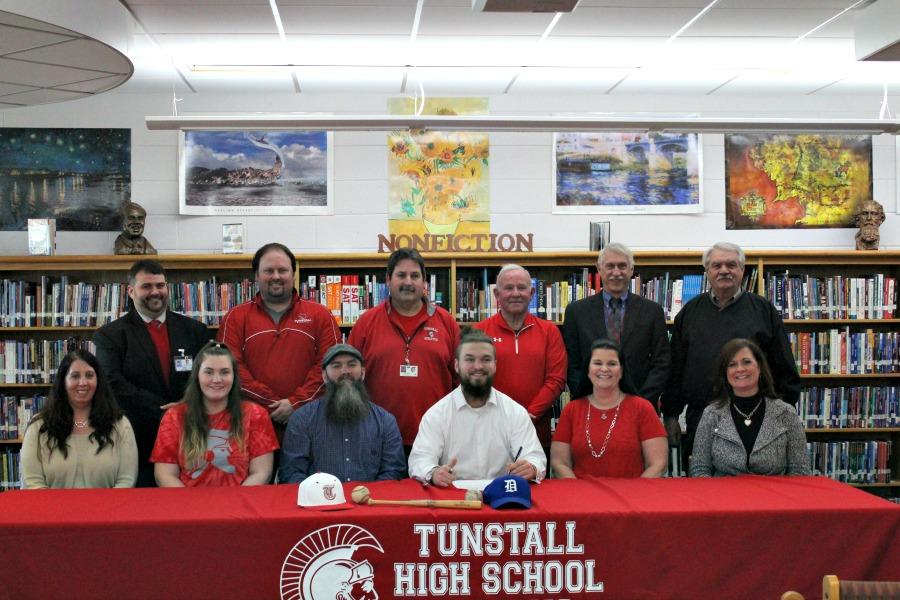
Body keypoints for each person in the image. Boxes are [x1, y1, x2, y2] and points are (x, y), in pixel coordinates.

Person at [661, 242, 800, 469]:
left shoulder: (763, 310)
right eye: (716, 265)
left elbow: (784, 366)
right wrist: (670, 415)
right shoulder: (690, 312)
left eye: (731, 265)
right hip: (701, 417)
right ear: (707, 271)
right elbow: (675, 368)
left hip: (757, 417)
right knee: (702, 487)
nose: (724, 270)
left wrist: (780, 415)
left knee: (754, 488)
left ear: (742, 270)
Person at [94, 259, 210, 487]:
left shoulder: (195, 331)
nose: (155, 292)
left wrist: (184, 405)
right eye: (147, 286)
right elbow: (112, 382)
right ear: (130, 291)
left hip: (189, 436)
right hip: (139, 438)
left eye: (160, 285)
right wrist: (163, 410)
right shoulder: (111, 335)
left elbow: (206, 376)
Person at [218, 242, 340, 431]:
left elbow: (331, 364)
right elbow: (231, 368)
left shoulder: (321, 315)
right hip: (251, 423)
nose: (276, 276)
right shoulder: (235, 317)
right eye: (268, 271)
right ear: (256, 276)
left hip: (312, 422)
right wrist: (273, 404)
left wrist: (295, 404)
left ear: (293, 274)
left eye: (282, 270)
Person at [348, 248, 460, 449]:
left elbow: (460, 380)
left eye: (415, 276)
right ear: (388, 280)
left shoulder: (447, 323)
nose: (408, 282)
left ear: (424, 282)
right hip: (377, 439)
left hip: (437, 439)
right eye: (401, 275)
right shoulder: (366, 323)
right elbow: (350, 379)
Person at [407, 330, 545, 485]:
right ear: (457, 365)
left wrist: (531, 467)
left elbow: (535, 457)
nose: (478, 366)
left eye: (486, 359)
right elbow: (420, 459)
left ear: (495, 365)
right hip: (453, 500)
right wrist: (433, 472)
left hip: (503, 498)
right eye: (470, 359)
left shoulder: (515, 412)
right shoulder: (437, 414)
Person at [151, 341, 279, 486]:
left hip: (239, 503)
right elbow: (164, 475)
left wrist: (236, 503)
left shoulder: (256, 415)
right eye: (209, 372)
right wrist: (189, 506)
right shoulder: (174, 416)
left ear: (234, 377)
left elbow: (262, 473)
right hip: (188, 504)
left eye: (225, 372)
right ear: (197, 376)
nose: (217, 379)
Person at [278, 343, 406, 483]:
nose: (345, 371)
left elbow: (393, 471)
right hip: (318, 502)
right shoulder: (302, 419)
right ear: (324, 376)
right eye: (336, 366)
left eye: (351, 365)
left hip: (370, 501)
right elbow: (292, 473)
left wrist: (367, 498)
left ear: (363, 373)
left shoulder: (385, 421)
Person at [563, 243, 670, 409]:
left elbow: (662, 362)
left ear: (631, 269)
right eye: (610, 266)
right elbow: (572, 362)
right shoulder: (576, 312)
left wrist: (642, 402)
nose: (616, 272)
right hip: (591, 404)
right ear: (599, 269)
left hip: (641, 405)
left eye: (622, 266)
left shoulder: (652, 311)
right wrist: (589, 398)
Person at [474, 264, 566, 450]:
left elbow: (556, 380)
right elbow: (473, 379)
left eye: (521, 287)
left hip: (535, 432)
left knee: (532, 479)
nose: (515, 293)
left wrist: (528, 416)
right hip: (489, 431)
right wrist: (498, 418)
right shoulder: (479, 332)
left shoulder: (549, 331)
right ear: (497, 295)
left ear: (532, 293)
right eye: (508, 288)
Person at [690, 339, 810, 477]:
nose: (740, 369)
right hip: (723, 496)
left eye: (746, 362)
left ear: (759, 367)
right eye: (732, 364)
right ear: (725, 372)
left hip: (774, 497)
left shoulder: (786, 413)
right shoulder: (711, 414)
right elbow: (699, 469)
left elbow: (800, 471)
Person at [551, 339, 668, 479]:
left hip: (632, 496)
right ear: (587, 370)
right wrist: (578, 493)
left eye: (612, 364)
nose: (604, 369)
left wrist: (636, 494)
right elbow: (559, 463)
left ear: (622, 371)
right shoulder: (571, 410)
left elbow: (658, 464)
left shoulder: (642, 408)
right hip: (582, 496)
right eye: (597, 363)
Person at [21, 349, 137, 489]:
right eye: (75, 376)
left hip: (109, 509)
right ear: (63, 382)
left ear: (98, 380)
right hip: (51, 510)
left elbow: (126, 480)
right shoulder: (39, 426)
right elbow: (33, 482)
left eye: (89, 375)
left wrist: (105, 510)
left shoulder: (120, 424)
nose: (83, 383)